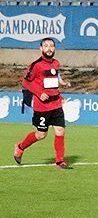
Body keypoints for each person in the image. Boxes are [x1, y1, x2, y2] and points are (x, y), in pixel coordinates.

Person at [13, 37, 72, 169]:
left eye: (52, 46)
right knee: (41, 135)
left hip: (56, 103)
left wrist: (61, 89)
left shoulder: (56, 63)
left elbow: (54, 79)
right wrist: (39, 93)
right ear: (41, 49)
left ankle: (59, 161)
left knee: (60, 131)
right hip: (42, 106)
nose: (49, 48)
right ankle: (20, 147)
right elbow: (26, 82)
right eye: (46, 46)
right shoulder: (36, 65)